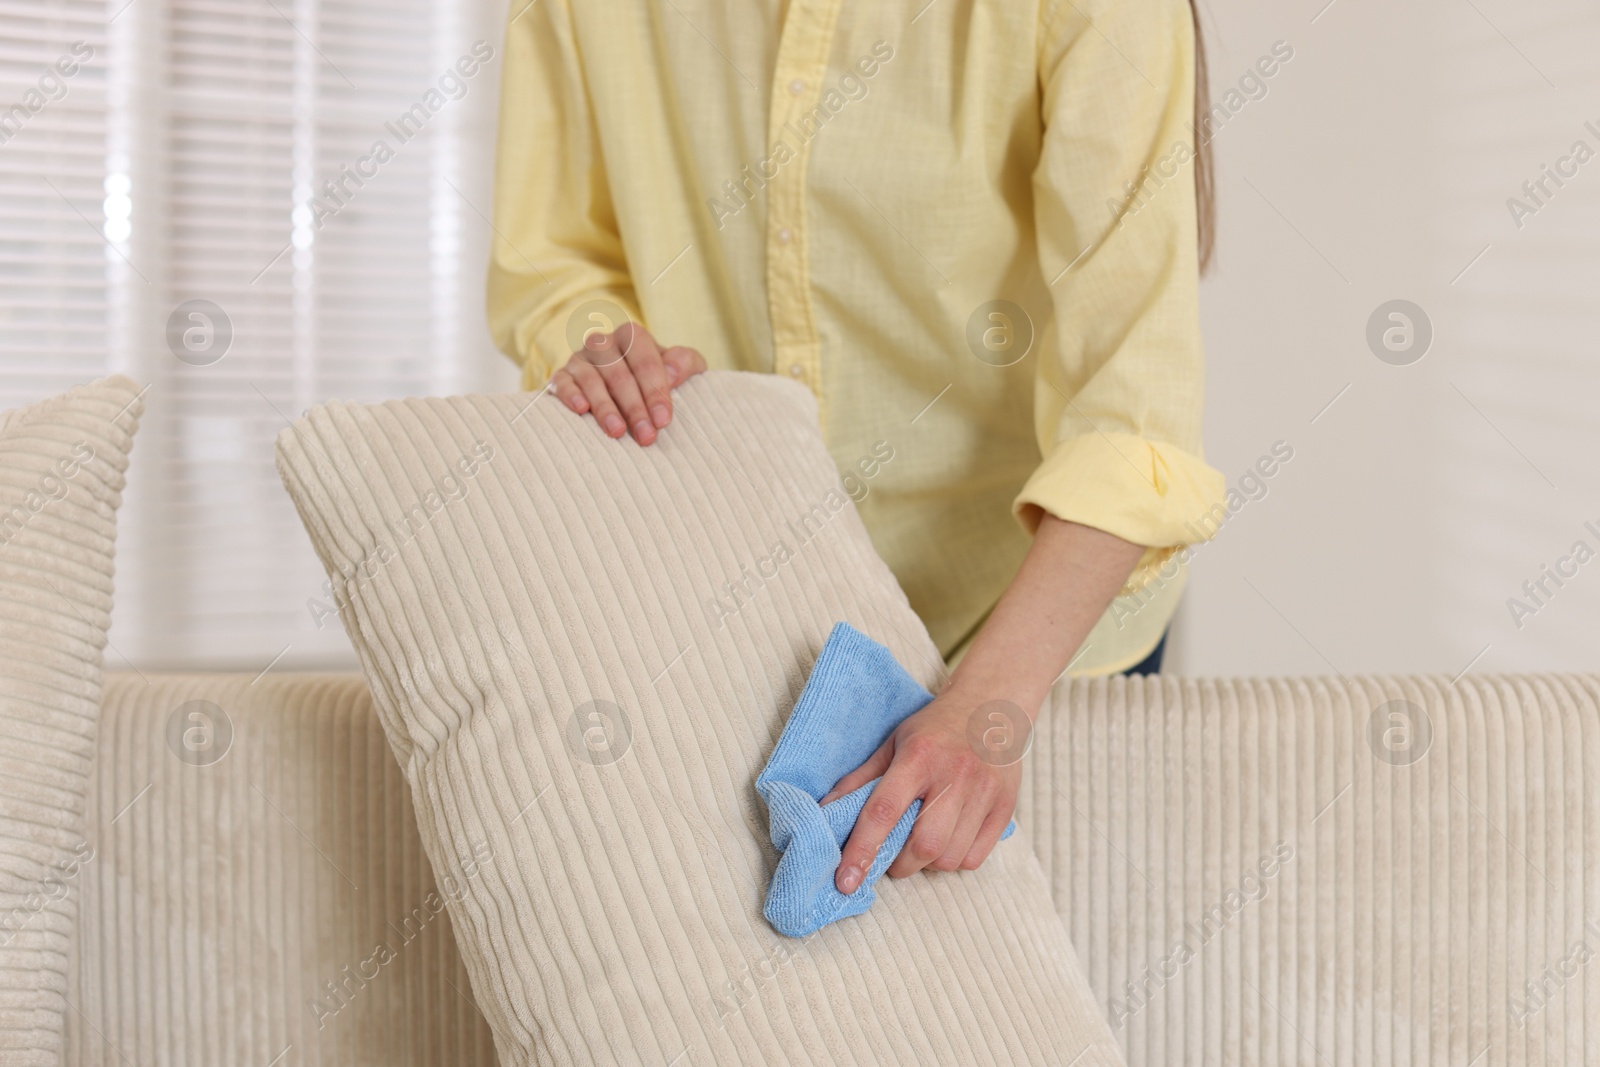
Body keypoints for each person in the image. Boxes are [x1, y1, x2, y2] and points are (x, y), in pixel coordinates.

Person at [489, 0, 1226, 898]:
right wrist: (604, 346)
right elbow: (555, 262)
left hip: (1027, 628)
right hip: (743, 601)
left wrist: (990, 706)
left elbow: (1131, 407)